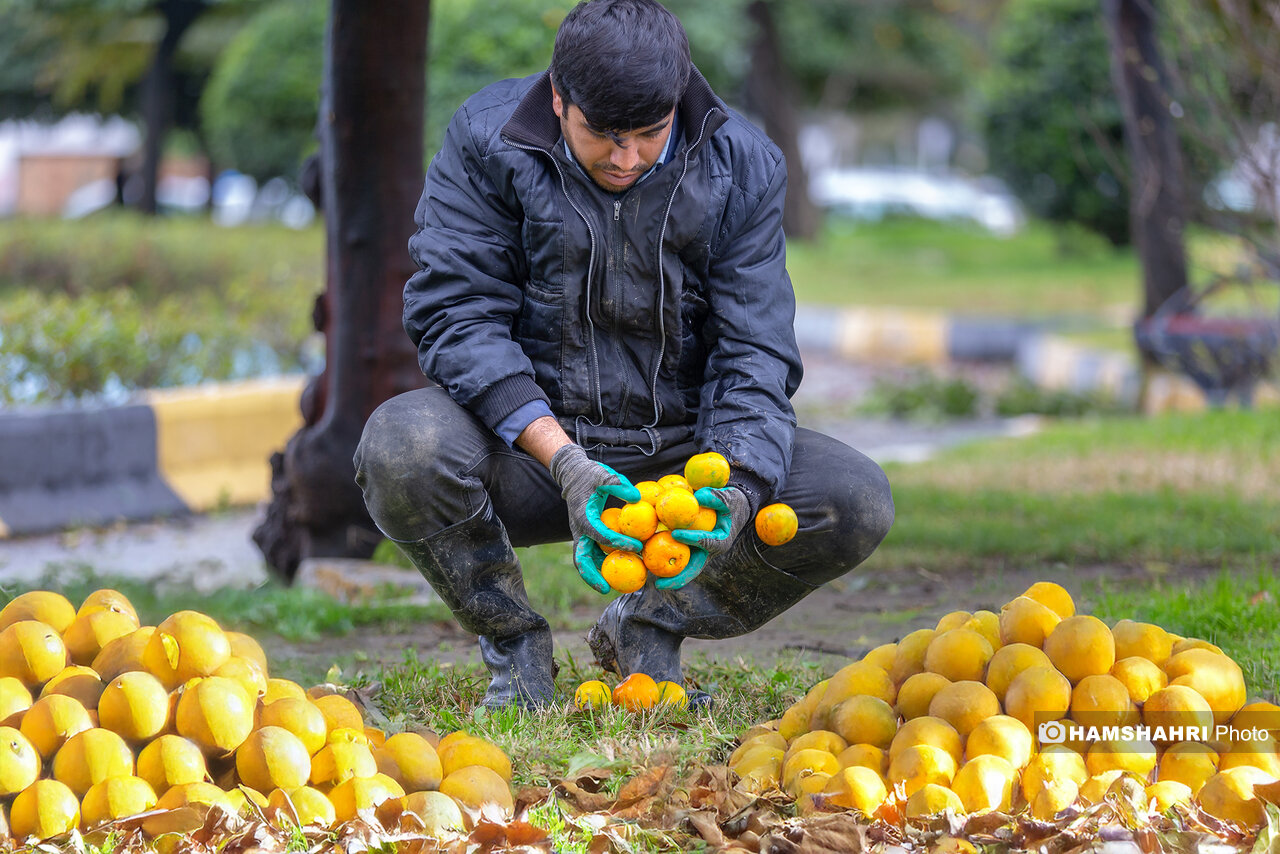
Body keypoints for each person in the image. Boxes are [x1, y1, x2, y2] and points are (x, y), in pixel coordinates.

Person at [355, 0, 894, 709]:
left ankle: (645, 625)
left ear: (676, 104)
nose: (626, 158)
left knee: (851, 499)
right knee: (401, 447)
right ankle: (517, 649)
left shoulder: (744, 166)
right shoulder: (489, 143)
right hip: (529, 450)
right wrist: (566, 462)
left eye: (648, 134)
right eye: (603, 135)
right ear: (558, 98)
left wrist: (735, 486)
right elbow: (457, 316)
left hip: (683, 458)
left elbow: (754, 351)